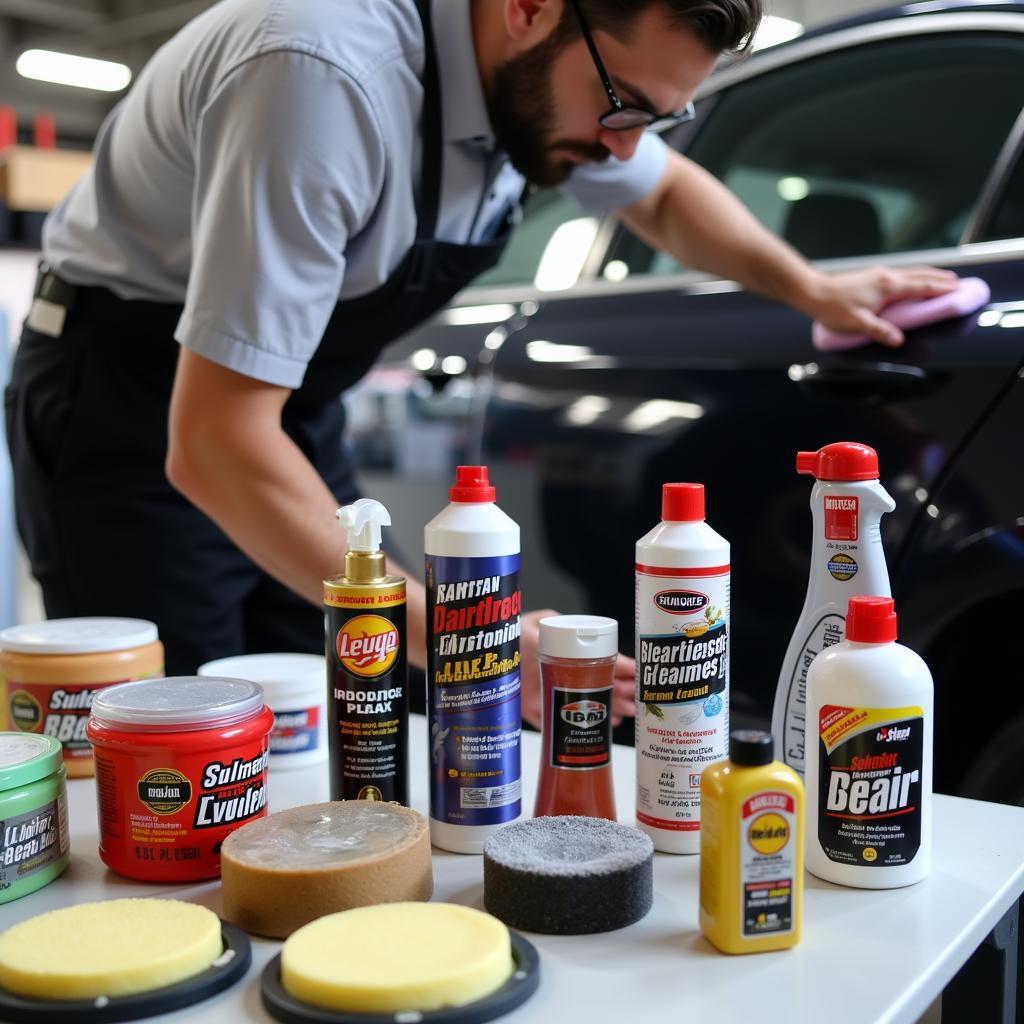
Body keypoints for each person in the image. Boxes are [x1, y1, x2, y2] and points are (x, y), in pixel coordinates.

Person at [6, 0, 956, 729]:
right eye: (621, 107)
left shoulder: (549, 76)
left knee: (350, 704)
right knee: (188, 741)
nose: (620, 148)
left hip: (281, 404)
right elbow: (211, 439)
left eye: (653, 120)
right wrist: (477, 641)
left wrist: (817, 291)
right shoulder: (320, 72)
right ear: (529, 8)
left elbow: (662, 196)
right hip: (136, 400)